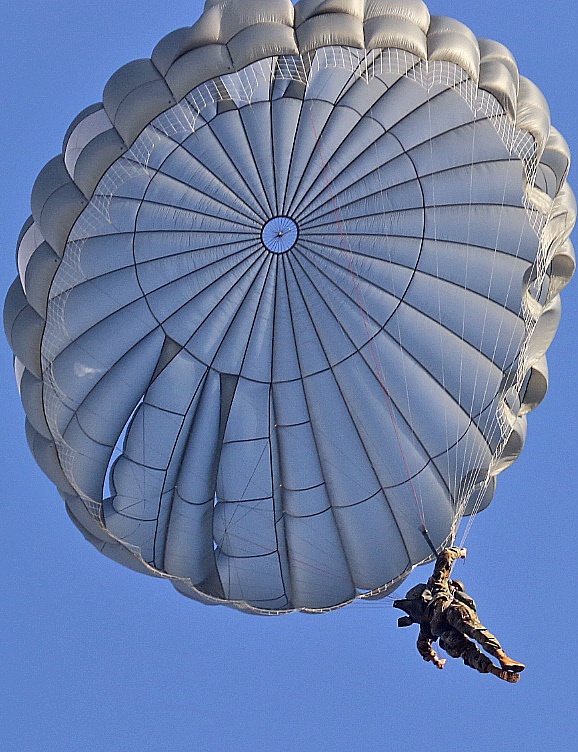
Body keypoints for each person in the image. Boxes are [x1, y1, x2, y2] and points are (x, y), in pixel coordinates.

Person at [393, 547, 525, 683]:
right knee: (473, 628)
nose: (456, 589)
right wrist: (461, 552)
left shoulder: (425, 614)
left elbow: (422, 645)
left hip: (437, 627)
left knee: (464, 649)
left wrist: (435, 660)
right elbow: (446, 554)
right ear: (452, 585)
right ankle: (501, 657)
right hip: (446, 608)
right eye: (456, 587)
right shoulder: (439, 585)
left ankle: (493, 669)